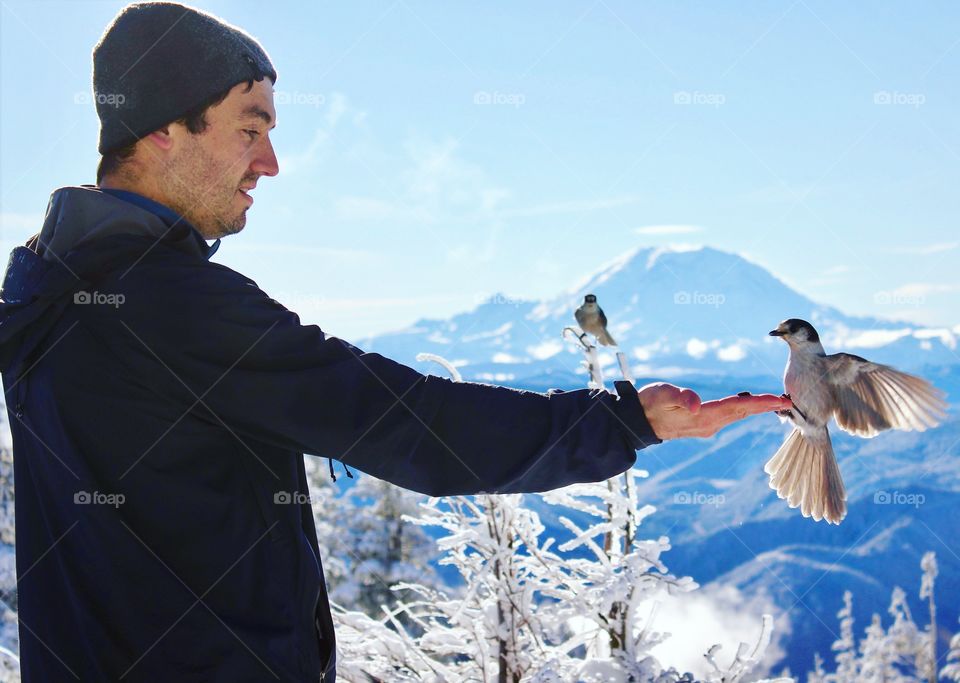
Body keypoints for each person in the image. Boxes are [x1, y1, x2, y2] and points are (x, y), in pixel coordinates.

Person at [0, 3, 791, 681]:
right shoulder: (169, 304)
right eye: (251, 128)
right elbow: (410, 424)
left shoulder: (47, 287)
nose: (270, 163)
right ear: (166, 129)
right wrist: (626, 422)